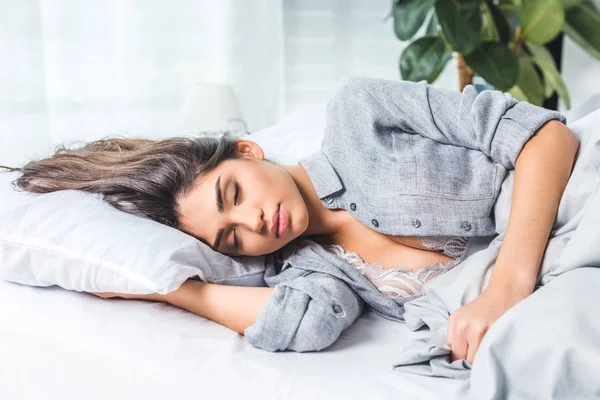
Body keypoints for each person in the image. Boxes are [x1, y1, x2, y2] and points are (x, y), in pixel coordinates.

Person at [2, 77, 579, 363]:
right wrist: (176, 291)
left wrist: (508, 282)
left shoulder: (362, 113)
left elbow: (542, 136)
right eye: (231, 237)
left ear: (249, 152)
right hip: (564, 294)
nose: (253, 222)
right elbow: (301, 325)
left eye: (233, 193)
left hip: (579, 204)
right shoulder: (308, 269)